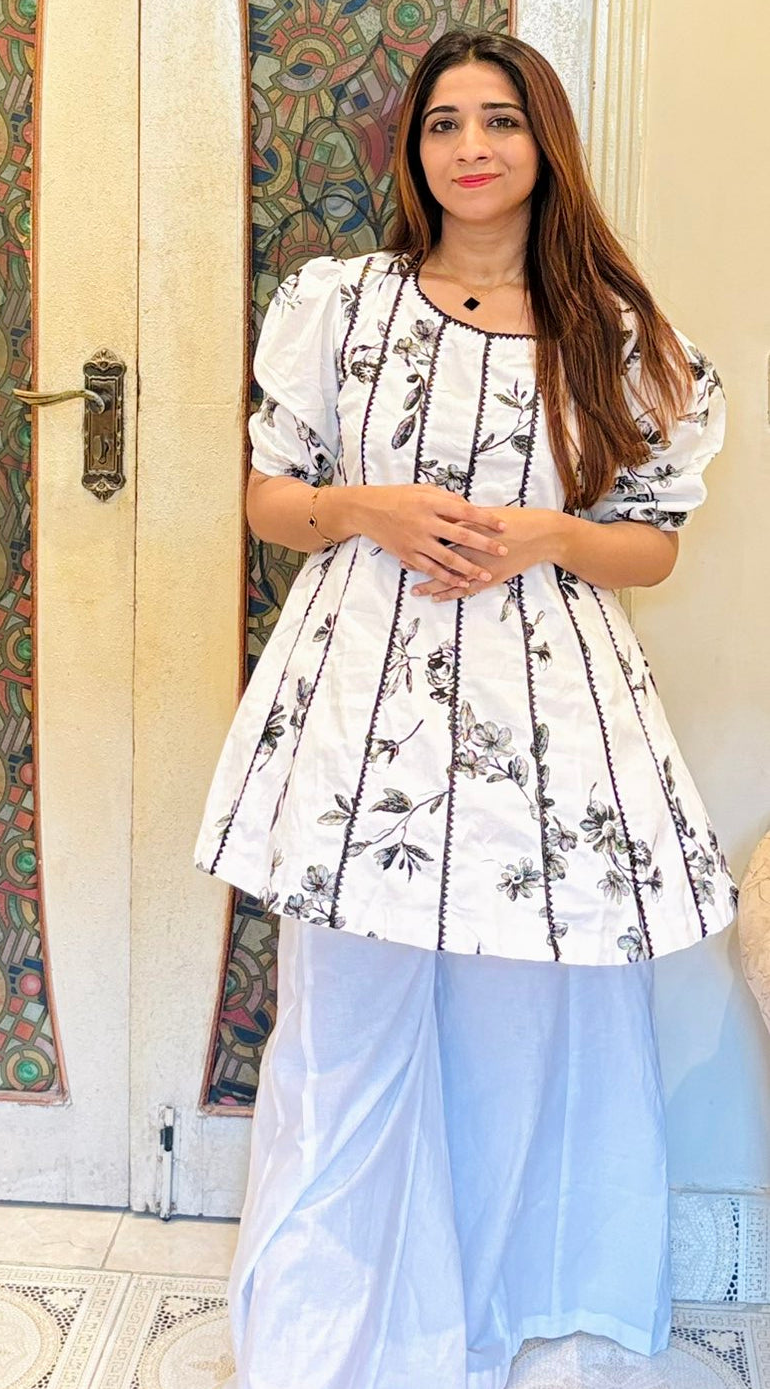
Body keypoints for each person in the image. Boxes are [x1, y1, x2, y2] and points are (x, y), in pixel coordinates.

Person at [194, 26, 737, 1389]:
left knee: (520, 1029)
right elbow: (269, 501)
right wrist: (366, 509)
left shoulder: (617, 335)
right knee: (347, 1027)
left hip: (544, 720)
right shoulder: (342, 305)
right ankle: (333, 1343)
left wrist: (548, 535)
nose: (471, 148)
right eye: (443, 123)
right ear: (414, 150)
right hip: (361, 708)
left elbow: (652, 545)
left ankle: (490, 1317)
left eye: (499, 119)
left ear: (545, 143)